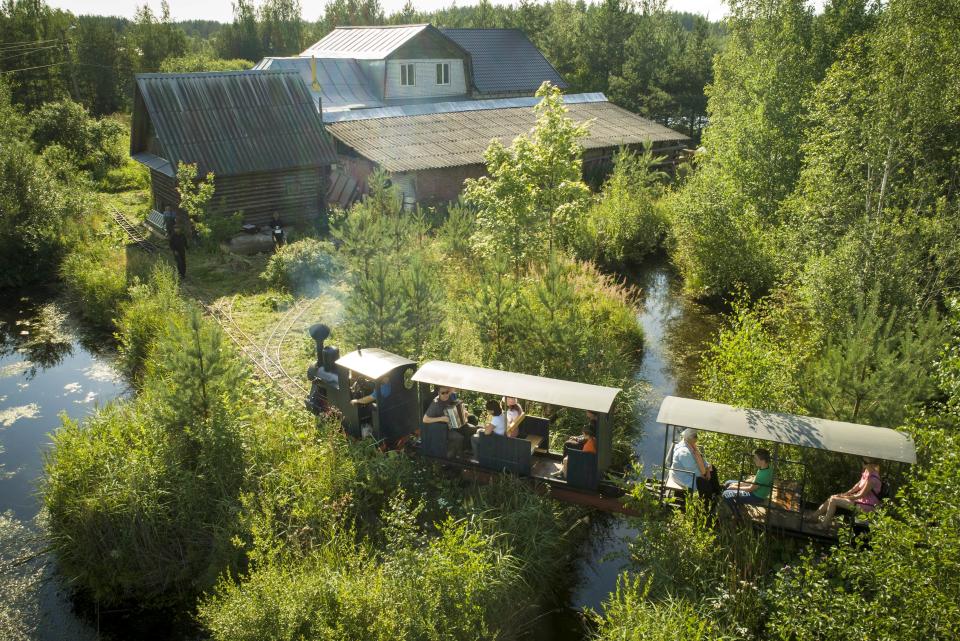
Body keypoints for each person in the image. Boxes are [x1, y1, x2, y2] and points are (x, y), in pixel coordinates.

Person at [810, 458, 883, 529]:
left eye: (865, 462)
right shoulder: (867, 472)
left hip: (866, 507)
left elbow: (860, 495)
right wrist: (845, 494)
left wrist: (844, 497)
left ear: (872, 464)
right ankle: (814, 517)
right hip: (860, 502)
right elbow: (857, 486)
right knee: (832, 497)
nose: (863, 463)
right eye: (862, 461)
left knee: (833, 500)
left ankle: (824, 525)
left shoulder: (872, 479)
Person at [721, 448, 774, 516]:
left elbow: (750, 489)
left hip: (756, 496)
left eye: (756, 459)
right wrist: (738, 484)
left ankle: (736, 513)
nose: (754, 460)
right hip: (755, 490)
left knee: (726, 494)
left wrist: (735, 487)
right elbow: (754, 479)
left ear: (763, 461)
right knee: (728, 482)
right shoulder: (767, 466)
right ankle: (738, 501)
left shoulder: (764, 475)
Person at [422, 386, 475, 452]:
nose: (445, 394)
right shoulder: (435, 404)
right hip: (443, 428)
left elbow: (456, 407)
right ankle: (457, 456)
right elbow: (425, 419)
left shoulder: (451, 396)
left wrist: (464, 413)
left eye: (447, 392)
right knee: (458, 437)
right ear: (438, 393)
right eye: (443, 393)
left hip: (454, 424)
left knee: (471, 429)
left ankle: (466, 449)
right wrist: (441, 418)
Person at [554, 411, 599, 479]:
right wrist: (577, 437)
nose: (586, 412)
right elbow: (586, 434)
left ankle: (565, 468)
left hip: (584, 446)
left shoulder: (595, 423)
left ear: (592, 413)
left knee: (567, 444)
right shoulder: (592, 421)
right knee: (570, 441)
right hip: (585, 442)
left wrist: (577, 439)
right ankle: (564, 467)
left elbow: (587, 437)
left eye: (588, 411)